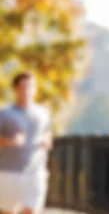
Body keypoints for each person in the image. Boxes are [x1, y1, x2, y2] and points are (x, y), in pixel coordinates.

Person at [0, 72, 53, 214]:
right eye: (23, 87)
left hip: (35, 173)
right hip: (9, 173)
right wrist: (9, 141)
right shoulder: (5, 113)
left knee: (32, 210)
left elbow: (48, 133)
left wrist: (47, 141)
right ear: (16, 89)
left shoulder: (43, 113)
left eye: (30, 87)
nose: (27, 90)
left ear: (35, 89)